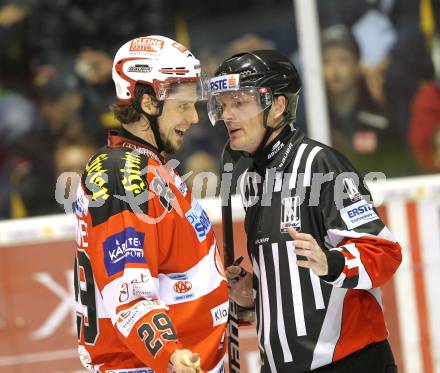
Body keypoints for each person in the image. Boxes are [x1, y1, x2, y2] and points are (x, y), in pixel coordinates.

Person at [208, 50, 402, 372]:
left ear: (278, 106)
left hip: (349, 362)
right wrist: (253, 294)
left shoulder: (320, 165)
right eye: (224, 104)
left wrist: (331, 262)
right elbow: (294, 291)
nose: (227, 114)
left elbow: (384, 252)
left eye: (239, 103)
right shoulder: (252, 181)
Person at [73, 35, 229, 373]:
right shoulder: (120, 173)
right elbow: (127, 290)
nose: (194, 119)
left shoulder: (150, 168)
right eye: (184, 106)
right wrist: (170, 354)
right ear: (147, 103)